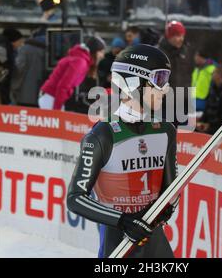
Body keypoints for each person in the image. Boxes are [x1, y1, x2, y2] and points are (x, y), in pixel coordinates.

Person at [67, 44, 178, 258]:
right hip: (118, 242)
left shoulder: (165, 131)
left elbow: (171, 190)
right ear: (132, 83)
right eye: (159, 79)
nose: (165, 89)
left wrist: (164, 210)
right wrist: (123, 221)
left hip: (154, 241)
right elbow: (75, 198)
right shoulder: (103, 134)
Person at [39, 36, 105, 110]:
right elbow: (63, 86)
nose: (102, 56)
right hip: (51, 98)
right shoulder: (80, 62)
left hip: (51, 97)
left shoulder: (80, 59)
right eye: (101, 52)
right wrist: (57, 110)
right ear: (94, 51)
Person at [10, 27, 46, 107]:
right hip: (43, 94)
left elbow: (19, 68)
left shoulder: (25, 49)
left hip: (25, 93)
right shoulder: (49, 50)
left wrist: (14, 87)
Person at [196, 64, 222, 135]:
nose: (212, 74)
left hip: (218, 129)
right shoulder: (212, 90)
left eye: (214, 72)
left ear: (220, 75)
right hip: (208, 125)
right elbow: (207, 108)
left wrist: (210, 126)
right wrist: (202, 121)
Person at [158, 21, 193, 89]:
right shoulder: (159, 53)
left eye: (182, 36)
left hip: (182, 96)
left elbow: (188, 76)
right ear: (169, 37)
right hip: (164, 96)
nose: (181, 39)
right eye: (178, 36)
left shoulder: (185, 52)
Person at [0, 27, 24, 104]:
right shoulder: (6, 49)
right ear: (13, 40)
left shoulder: (8, 48)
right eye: (20, 41)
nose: (21, 44)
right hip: (2, 83)